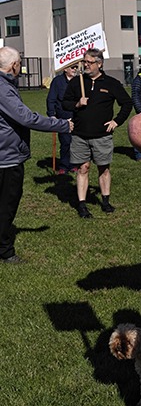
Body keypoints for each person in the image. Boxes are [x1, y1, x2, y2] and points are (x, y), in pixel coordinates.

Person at [0, 47, 73, 263]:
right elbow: (26, 118)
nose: (20, 68)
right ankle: (5, 251)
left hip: (6, 154)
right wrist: (62, 125)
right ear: (13, 66)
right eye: (19, 63)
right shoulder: (3, 88)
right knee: (7, 204)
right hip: (6, 158)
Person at [63, 49, 132, 218]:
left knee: (104, 168)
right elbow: (65, 103)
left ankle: (105, 202)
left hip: (102, 135)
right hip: (80, 134)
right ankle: (82, 204)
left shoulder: (111, 83)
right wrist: (77, 104)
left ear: (99, 64)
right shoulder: (76, 82)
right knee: (83, 168)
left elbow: (126, 103)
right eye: (84, 62)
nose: (85, 65)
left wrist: (116, 121)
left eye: (89, 62)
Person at [46, 63, 78, 173]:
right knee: (65, 142)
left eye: (76, 67)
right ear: (65, 69)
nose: (75, 70)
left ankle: (74, 164)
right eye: (73, 67)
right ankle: (64, 166)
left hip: (77, 116)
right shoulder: (57, 81)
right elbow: (51, 99)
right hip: (63, 117)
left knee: (76, 142)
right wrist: (52, 115)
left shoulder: (79, 81)